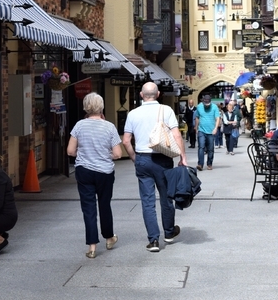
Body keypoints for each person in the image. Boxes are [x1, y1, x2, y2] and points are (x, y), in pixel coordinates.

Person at [122, 82, 188, 253]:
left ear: (142, 95)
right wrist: (183, 157)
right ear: (158, 94)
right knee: (167, 197)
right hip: (163, 159)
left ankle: (153, 240)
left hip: (143, 158)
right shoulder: (166, 110)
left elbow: (126, 140)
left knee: (147, 201)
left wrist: (134, 158)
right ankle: (168, 232)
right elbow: (176, 135)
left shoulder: (133, 114)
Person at [67, 93, 122, 259]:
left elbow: (70, 151)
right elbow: (118, 153)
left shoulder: (79, 126)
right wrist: (104, 155)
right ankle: (109, 237)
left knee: (88, 208)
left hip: (84, 171)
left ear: (85, 107)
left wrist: (84, 155)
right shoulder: (109, 127)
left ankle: (92, 246)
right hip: (104, 172)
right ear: (102, 107)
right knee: (104, 205)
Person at [194, 94, 221, 171]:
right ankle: (200, 164)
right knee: (201, 147)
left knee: (210, 149)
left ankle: (209, 163)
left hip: (211, 131)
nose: (206, 106)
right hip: (201, 130)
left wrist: (216, 128)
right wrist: (196, 127)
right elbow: (197, 117)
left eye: (208, 104)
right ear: (203, 101)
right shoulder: (199, 107)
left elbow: (217, 118)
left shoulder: (214, 107)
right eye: (205, 104)